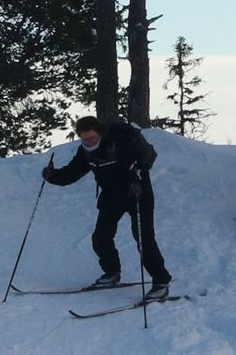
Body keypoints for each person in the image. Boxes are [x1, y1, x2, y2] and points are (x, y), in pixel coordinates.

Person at [43, 112, 172, 295]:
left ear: (100, 132)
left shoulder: (121, 139)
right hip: (112, 195)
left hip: (137, 192)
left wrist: (138, 170)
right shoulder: (86, 152)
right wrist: (52, 176)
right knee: (100, 238)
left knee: (143, 239)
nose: (88, 142)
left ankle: (161, 281)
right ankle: (112, 272)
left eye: (92, 137)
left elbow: (148, 158)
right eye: (84, 139)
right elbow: (71, 174)